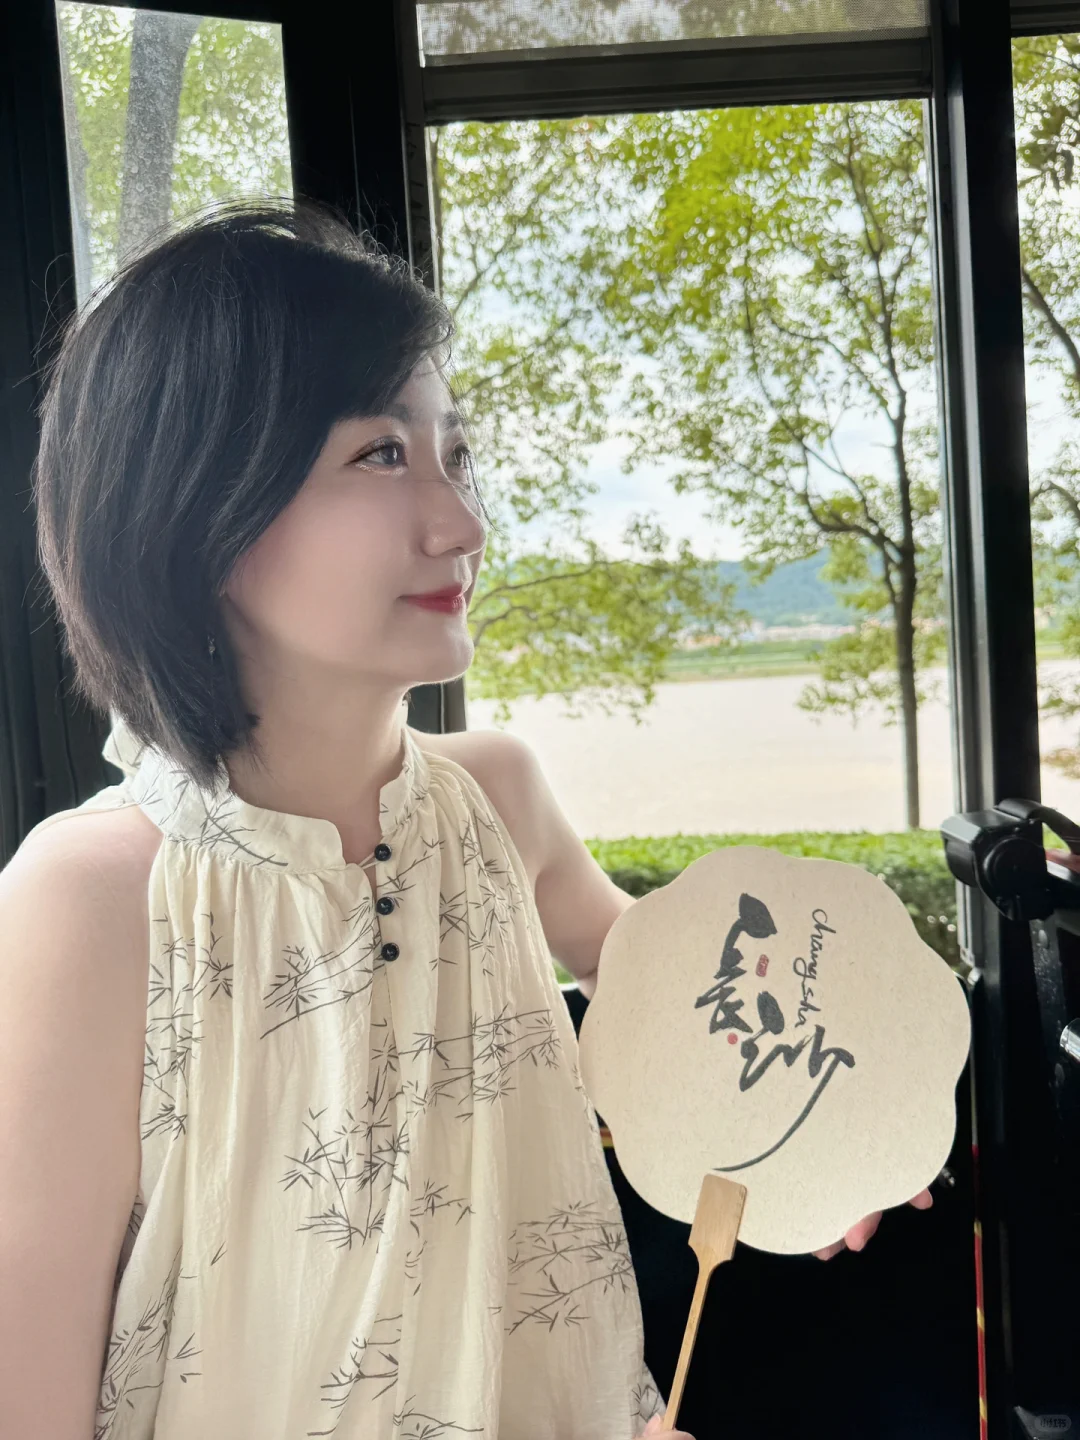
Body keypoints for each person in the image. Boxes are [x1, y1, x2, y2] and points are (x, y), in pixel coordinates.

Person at [0, 196, 925, 1440]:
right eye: (381, 455)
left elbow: (687, 1018)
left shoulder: (499, 798)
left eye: (457, 453)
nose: (464, 525)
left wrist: (831, 1128)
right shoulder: (91, 902)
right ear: (197, 509)